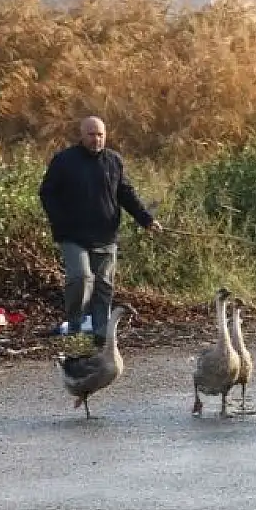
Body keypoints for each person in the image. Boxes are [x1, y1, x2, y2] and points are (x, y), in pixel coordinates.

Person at [38, 116, 163, 347]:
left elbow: (126, 194)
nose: (96, 139)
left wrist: (146, 219)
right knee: (80, 278)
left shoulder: (114, 161)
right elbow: (47, 193)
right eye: (91, 134)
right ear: (81, 135)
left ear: (105, 135)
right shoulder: (64, 161)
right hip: (73, 236)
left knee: (104, 285)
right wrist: (59, 221)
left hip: (106, 235)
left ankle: (100, 333)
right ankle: (74, 326)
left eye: (100, 135)